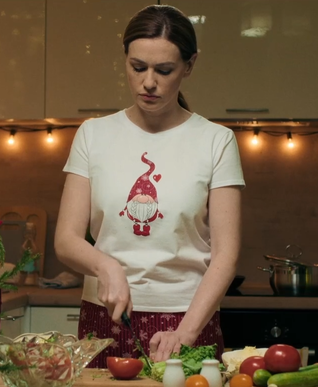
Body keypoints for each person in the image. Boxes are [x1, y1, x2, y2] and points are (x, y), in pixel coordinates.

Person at [54, 5, 244, 367]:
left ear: (189, 65)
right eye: (138, 67)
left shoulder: (216, 141)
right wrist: (106, 266)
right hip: (104, 317)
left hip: (189, 319)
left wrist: (185, 333)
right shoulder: (93, 135)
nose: (149, 82)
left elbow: (226, 256)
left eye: (164, 70)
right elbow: (66, 240)